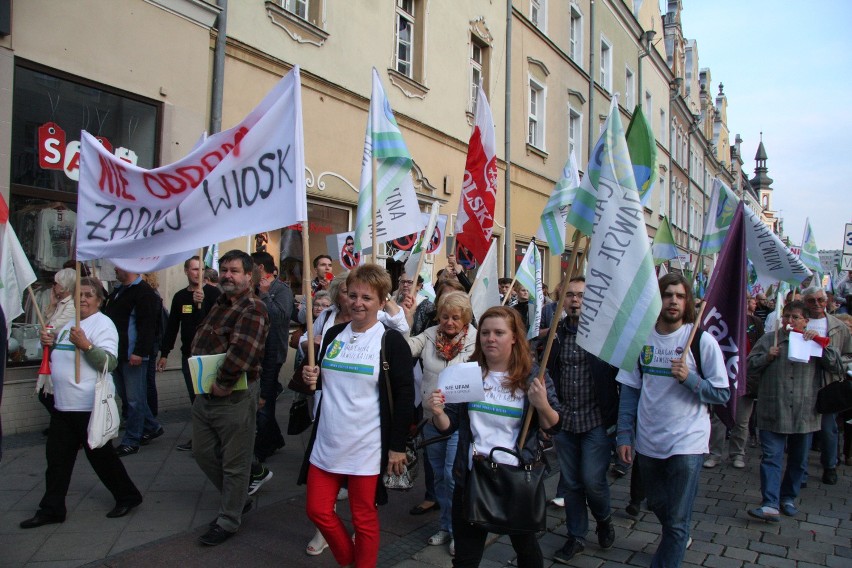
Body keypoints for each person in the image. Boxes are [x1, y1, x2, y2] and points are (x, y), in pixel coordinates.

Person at [298, 265, 415, 567]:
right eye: (352, 295)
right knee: (318, 510)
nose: (358, 303)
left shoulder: (390, 341)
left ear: (380, 301)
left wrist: (397, 445)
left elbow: (404, 396)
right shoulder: (335, 333)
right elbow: (322, 380)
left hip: (366, 445)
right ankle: (349, 560)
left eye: (367, 297)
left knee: (363, 519)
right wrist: (311, 375)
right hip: (327, 440)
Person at [426, 306, 561, 567]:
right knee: (465, 558)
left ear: (514, 337)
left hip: (516, 480)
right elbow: (449, 425)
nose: (490, 338)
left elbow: (554, 426)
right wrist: (437, 412)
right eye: (485, 332)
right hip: (472, 478)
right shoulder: (468, 372)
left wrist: (542, 404)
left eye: (499, 332)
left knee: (527, 552)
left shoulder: (531, 375)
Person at [616, 273, 730, 567]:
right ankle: (677, 535)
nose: (673, 301)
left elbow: (721, 393)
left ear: (688, 301)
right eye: (668, 295)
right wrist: (624, 435)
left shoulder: (701, 342)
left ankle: (673, 544)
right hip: (649, 440)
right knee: (654, 502)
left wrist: (690, 379)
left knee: (678, 521)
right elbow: (630, 391)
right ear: (658, 298)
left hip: (687, 441)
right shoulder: (641, 339)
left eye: (680, 296)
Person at [21, 278, 143, 528]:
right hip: (64, 406)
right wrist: (50, 343)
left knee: (102, 457)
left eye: (89, 295)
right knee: (56, 460)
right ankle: (52, 509)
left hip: (88, 406)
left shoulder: (103, 325)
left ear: (99, 300)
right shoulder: (69, 325)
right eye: (80, 295)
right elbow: (61, 354)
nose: (84, 299)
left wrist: (86, 345)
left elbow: (109, 363)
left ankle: (128, 496)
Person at [190, 250, 270, 546]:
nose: (227, 275)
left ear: (249, 276)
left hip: (233, 394)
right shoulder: (219, 303)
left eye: (234, 271)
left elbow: (243, 351)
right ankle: (236, 499)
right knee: (203, 452)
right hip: (205, 392)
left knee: (235, 463)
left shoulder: (253, 307)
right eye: (224, 270)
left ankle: (228, 519)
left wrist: (223, 383)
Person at [746, 301, 844, 522]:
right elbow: (748, 366)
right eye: (786, 316)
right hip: (774, 408)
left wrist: (820, 345)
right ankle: (769, 503)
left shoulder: (812, 342)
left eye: (795, 317)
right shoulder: (769, 339)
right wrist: (766, 357)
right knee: (771, 457)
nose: (789, 321)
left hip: (804, 412)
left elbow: (836, 366)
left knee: (799, 460)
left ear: (805, 321)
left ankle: (788, 497)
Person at [545, 277, 619, 563]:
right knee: (572, 483)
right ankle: (576, 536)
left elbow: (619, 378)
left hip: (595, 421)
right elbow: (547, 373)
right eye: (570, 295)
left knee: (593, 480)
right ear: (561, 300)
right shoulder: (556, 334)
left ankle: (604, 518)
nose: (575, 300)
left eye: (581, 296)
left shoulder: (603, 335)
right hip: (565, 421)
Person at [405, 291, 477, 555]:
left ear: (466, 318)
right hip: (431, 417)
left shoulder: (474, 339)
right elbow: (406, 348)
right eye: (445, 316)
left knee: (452, 475)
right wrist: (405, 321)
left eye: (455, 318)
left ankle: (460, 529)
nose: (449, 322)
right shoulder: (430, 333)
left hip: (460, 418)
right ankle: (445, 526)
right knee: (437, 476)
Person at [157, 256, 221, 452]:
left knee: (209, 398)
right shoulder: (180, 297)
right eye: (194, 269)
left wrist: (202, 305)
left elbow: (217, 322)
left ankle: (213, 438)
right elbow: (172, 326)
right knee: (195, 399)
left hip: (209, 354)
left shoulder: (213, 294)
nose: (197, 273)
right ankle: (200, 438)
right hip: (189, 354)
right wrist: (165, 353)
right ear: (186, 271)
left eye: (201, 269)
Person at [103, 267, 163, 457]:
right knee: (129, 396)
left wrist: (139, 352)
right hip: (118, 354)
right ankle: (152, 426)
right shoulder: (119, 291)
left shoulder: (144, 292)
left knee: (134, 399)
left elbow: (148, 325)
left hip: (132, 355)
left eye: (117, 267)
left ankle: (132, 439)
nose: (114, 270)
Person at [801, 285, 852, 485]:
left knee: (828, 427)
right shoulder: (799, 322)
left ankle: (830, 466)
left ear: (827, 301)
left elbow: (848, 353)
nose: (817, 304)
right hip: (802, 380)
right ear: (805, 302)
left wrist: (838, 363)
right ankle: (800, 470)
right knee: (803, 429)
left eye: (820, 300)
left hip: (828, 382)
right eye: (812, 301)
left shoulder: (838, 325)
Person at [251, 251, 294, 462]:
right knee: (260, 401)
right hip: (256, 351)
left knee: (264, 400)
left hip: (273, 353)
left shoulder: (281, 289)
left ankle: (264, 447)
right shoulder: (253, 289)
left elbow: (281, 317)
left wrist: (266, 295)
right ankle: (274, 438)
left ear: (260, 269)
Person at [37, 268, 77, 417]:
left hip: (62, 354)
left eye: (56, 283)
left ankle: (61, 424)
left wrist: (48, 325)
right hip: (53, 354)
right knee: (47, 394)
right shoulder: (61, 303)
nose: (54, 286)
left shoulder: (71, 305)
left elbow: (52, 327)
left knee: (49, 395)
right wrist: (52, 306)